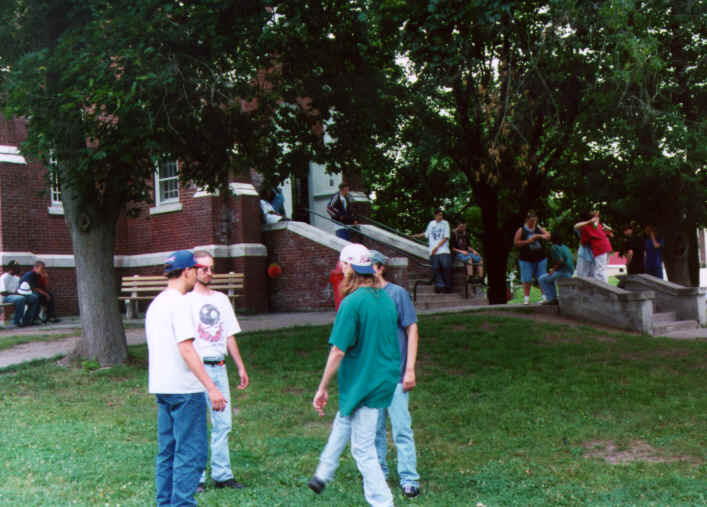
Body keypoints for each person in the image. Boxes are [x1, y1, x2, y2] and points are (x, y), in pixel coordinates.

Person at [308, 243, 400, 507]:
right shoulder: (385, 299)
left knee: (363, 449)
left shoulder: (352, 303)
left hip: (364, 384)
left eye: (343, 265)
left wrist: (322, 387)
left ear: (349, 267)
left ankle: (383, 503)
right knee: (344, 419)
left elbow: (338, 350)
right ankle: (323, 474)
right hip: (379, 379)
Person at [145, 250, 227, 507]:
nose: (197, 275)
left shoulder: (156, 303)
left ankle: (165, 503)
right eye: (196, 270)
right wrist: (212, 387)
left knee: (167, 452)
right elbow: (187, 349)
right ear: (187, 272)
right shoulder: (180, 303)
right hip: (185, 390)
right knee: (191, 454)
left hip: (162, 387)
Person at [186, 250, 250, 492]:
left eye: (211, 268)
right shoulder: (186, 301)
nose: (209, 273)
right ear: (193, 270)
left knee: (223, 424)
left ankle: (223, 475)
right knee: (198, 425)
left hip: (219, 366)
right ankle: (197, 478)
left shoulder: (221, 300)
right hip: (198, 370)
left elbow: (229, 335)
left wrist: (240, 366)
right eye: (204, 268)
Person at [369, 250, 421, 498]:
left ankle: (409, 478)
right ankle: (379, 474)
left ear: (380, 268)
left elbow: (412, 331)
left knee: (401, 428)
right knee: (374, 430)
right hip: (372, 379)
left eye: (369, 267)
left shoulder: (398, 294)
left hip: (397, 376)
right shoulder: (361, 297)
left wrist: (410, 368)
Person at [513, 211, 550, 304]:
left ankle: (544, 296)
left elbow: (548, 235)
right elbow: (516, 243)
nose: (533, 223)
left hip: (540, 257)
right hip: (526, 258)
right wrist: (528, 241)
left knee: (542, 277)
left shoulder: (538, 228)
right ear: (527, 220)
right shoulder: (521, 230)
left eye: (534, 221)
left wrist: (539, 236)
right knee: (527, 278)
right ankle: (526, 298)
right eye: (531, 221)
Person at [413, 209, 453, 293]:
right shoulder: (431, 224)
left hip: (444, 250)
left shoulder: (445, 223)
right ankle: (440, 286)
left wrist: (437, 247)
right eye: (438, 215)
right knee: (435, 268)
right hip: (433, 251)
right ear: (435, 216)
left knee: (446, 267)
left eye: (441, 215)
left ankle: (448, 287)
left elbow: (446, 237)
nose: (440, 217)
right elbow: (426, 234)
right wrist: (415, 236)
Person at [574, 210, 613, 283]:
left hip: (598, 250)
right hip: (601, 249)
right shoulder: (590, 226)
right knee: (599, 271)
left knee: (598, 272)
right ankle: (603, 288)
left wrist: (594, 218)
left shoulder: (591, 226)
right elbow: (576, 226)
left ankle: (604, 288)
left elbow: (584, 241)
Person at [538, 236, 575, 305]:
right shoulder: (565, 247)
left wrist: (553, 269)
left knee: (542, 279)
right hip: (570, 271)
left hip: (563, 272)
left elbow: (560, 260)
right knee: (549, 279)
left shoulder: (554, 247)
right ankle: (552, 298)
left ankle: (551, 299)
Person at [0, 260, 39, 327]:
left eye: (18, 267)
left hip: (17, 296)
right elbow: (3, 292)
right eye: (16, 268)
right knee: (20, 299)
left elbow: (19, 289)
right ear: (11, 268)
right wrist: (16, 294)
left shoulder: (17, 278)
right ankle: (16, 321)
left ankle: (27, 320)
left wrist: (22, 293)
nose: (17, 269)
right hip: (5, 297)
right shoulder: (3, 277)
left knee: (34, 298)